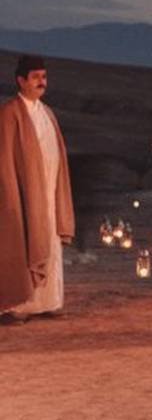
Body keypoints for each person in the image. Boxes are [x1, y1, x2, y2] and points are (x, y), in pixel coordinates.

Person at [0, 55, 74, 323]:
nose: (41, 82)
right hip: (23, 193)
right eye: (35, 77)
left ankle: (47, 302)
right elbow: (4, 158)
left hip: (49, 190)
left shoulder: (47, 112)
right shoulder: (9, 113)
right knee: (21, 241)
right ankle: (16, 305)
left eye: (43, 77)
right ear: (21, 80)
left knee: (50, 241)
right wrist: (10, 194)